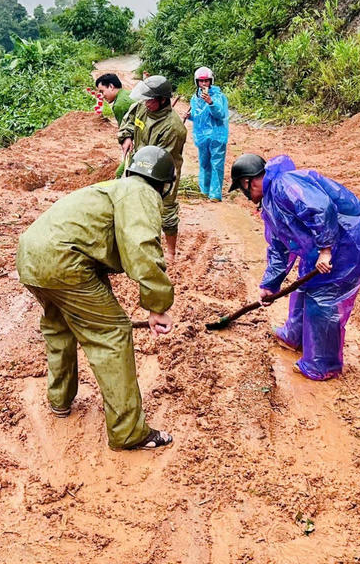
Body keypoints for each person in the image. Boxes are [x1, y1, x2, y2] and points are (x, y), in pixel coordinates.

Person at [16, 145, 177, 450]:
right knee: (111, 333)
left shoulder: (112, 188)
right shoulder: (141, 192)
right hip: (65, 261)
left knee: (60, 325)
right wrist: (158, 305)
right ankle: (128, 433)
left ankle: (59, 400)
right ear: (165, 184)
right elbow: (141, 249)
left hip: (31, 256)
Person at [228, 153, 360, 380]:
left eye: (242, 189)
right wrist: (269, 285)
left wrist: (326, 249)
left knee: (323, 298)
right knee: (304, 286)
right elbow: (279, 248)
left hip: (345, 243)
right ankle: (294, 336)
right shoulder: (271, 202)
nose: (245, 196)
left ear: (248, 182)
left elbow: (321, 209)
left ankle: (322, 365)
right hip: (320, 248)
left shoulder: (285, 185)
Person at [117, 75, 186, 260]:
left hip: (163, 170)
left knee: (166, 209)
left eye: (150, 100)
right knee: (134, 202)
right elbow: (129, 121)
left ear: (162, 100)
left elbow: (163, 160)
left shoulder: (173, 128)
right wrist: (127, 136)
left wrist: (148, 183)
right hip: (138, 163)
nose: (146, 103)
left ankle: (171, 253)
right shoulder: (142, 107)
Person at [186, 67, 229, 201]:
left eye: (206, 81)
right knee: (204, 163)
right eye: (201, 81)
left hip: (217, 135)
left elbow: (221, 114)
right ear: (197, 82)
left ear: (211, 81)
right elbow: (198, 117)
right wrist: (190, 116)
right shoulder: (195, 98)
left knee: (216, 164)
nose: (204, 84)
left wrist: (211, 102)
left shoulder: (218, 96)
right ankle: (204, 191)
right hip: (202, 137)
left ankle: (215, 194)